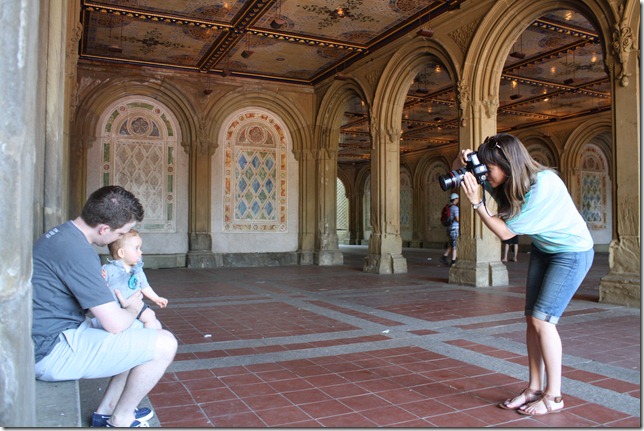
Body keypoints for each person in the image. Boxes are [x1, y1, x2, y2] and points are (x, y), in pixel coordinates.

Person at [459, 133, 593, 417]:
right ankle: (533, 388)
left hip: (572, 252)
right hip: (545, 250)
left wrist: (476, 203)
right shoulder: (512, 181)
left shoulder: (543, 186)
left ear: (507, 164)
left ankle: (554, 396)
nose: (486, 175)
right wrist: (470, 164)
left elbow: (506, 232)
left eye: (488, 168)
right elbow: (482, 182)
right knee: (532, 319)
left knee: (544, 321)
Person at [32, 186, 177, 427]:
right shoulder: (78, 252)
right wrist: (134, 307)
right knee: (165, 343)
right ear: (104, 229)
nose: (119, 238)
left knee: (142, 331)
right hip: (49, 352)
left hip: (52, 336)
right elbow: (115, 324)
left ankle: (106, 411)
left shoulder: (64, 235)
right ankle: (121, 419)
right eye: (121, 233)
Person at [103, 230, 168, 330]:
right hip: (116, 308)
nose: (141, 252)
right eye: (136, 248)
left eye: (140, 248)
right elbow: (97, 284)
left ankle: (150, 336)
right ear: (121, 253)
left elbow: (144, 286)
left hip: (135, 305)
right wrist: (101, 277)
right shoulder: (109, 270)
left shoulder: (137, 270)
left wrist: (156, 298)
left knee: (150, 315)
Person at [440, 192, 460, 266]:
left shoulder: (448, 207)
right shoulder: (455, 208)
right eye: (457, 199)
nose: (458, 200)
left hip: (449, 228)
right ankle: (453, 261)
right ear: (455, 199)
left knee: (452, 243)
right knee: (454, 245)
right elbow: (457, 219)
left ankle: (444, 257)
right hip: (454, 228)